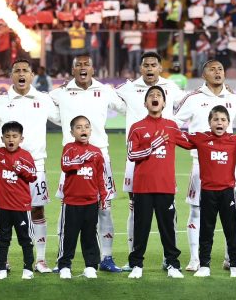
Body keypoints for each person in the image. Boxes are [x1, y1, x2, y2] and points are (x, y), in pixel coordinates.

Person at [50, 54, 126, 272]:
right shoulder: (61, 92)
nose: (83, 68)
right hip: (72, 158)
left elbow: (127, 108)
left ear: (93, 69)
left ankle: (107, 257)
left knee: (105, 207)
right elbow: (40, 100)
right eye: (78, 65)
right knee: (67, 209)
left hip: (100, 156)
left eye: (87, 64)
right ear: (72, 70)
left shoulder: (105, 90)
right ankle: (62, 259)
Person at [0, 59, 60, 274]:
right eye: (16, 70)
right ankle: (4, 261)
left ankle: (41, 259)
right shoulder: (2, 101)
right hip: (7, 168)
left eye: (25, 70)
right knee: (6, 213)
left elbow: (63, 120)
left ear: (32, 75)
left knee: (37, 210)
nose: (21, 74)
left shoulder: (43, 99)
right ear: (11, 75)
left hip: (35, 165)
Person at [116, 52, 183, 269]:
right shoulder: (128, 88)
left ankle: (168, 258)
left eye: (154, 65)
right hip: (136, 157)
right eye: (146, 65)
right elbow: (107, 97)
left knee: (167, 210)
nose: (150, 68)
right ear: (141, 68)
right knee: (134, 208)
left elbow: (190, 99)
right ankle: (132, 256)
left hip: (163, 159)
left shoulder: (171, 88)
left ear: (160, 68)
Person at [173, 59, 236, 271]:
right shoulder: (193, 98)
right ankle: (195, 258)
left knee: (233, 212)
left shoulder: (234, 98)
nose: (217, 72)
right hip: (200, 165)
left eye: (220, 68)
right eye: (212, 69)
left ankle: (231, 258)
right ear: (204, 75)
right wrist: (192, 142)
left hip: (228, 165)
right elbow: (174, 124)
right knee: (196, 211)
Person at [126, 86, 191, 279]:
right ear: (145, 103)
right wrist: (151, 146)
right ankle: (137, 264)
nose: (155, 98)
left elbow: (190, 143)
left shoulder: (171, 126)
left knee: (167, 228)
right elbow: (132, 154)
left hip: (165, 186)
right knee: (141, 227)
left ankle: (172, 264)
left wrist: (215, 137)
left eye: (159, 96)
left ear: (164, 103)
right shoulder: (137, 127)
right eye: (151, 96)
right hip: (143, 187)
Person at [185, 105, 236, 278]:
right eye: (216, 119)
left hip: (228, 192)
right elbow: (179, 139)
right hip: (208, 192)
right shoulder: (201, 138)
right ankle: (204, 265)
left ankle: (234, 264)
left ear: (228, 123)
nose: (219, 122)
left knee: (230, 230)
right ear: (209, 123)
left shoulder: (235, 139)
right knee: (206, 230)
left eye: (223, 119)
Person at [57, 115, 110, 280]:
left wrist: (103, 196)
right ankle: (65, 265)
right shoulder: (69, 148)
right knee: (69, 235)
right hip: (72, 202)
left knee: (90, 235)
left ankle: (91, 266)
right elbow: (66, 166)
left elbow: (100, 177)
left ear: (91, 130)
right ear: (72, 132)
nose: (83, 130)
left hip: (91, 202)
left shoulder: (96, 152)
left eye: (86, 126)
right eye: (79, 127)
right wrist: (82, 159)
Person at [0, 121, 38, 280]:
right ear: (2, 138)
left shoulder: (26, 156)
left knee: (25, 239)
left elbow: (33, 176)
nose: (11, 139)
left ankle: (28, 269)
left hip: (21, 206)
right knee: (3, 238)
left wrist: (21, 169)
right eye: (7, 136)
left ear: (21, 138)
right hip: (3, 207)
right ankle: (1, 268)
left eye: (14, 136)